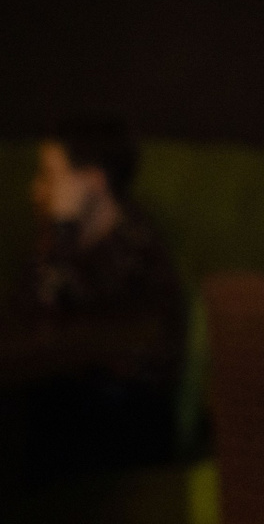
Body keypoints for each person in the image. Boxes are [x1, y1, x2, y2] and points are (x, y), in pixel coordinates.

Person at [0, 112, 182, 491]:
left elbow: (81, 330)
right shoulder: (67, 242)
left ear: (93, 181)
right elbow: (26, 307)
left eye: (50, 176)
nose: (37, 190)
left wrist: (61, 230)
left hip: (124, 412)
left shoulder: (135, 246)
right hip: (67, 392)